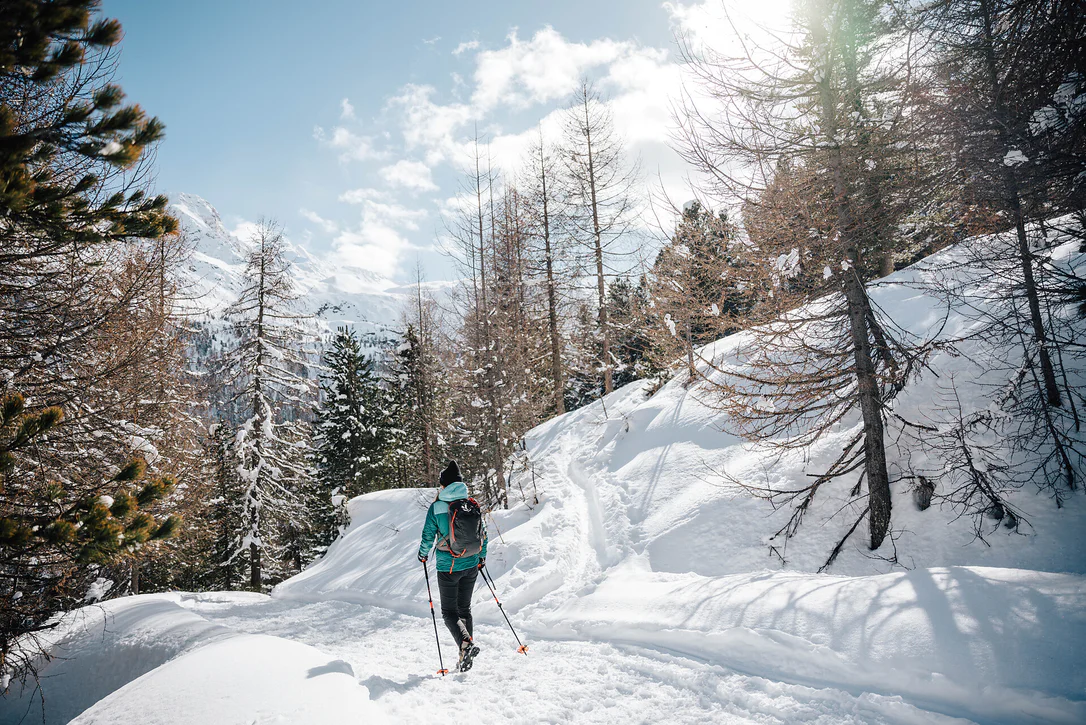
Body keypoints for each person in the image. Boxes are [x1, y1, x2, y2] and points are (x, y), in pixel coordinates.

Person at [417, 460, 488, 672]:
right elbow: (482, 534)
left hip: (448, 567)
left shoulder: (437, 507)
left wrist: (422, 555)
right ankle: (465, 651)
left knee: (449, 612)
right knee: (464, 609)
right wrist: (481, 557)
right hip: (471, 564)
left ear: (444, 485)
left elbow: (428, 535)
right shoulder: (471, 503)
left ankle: (465, 645)